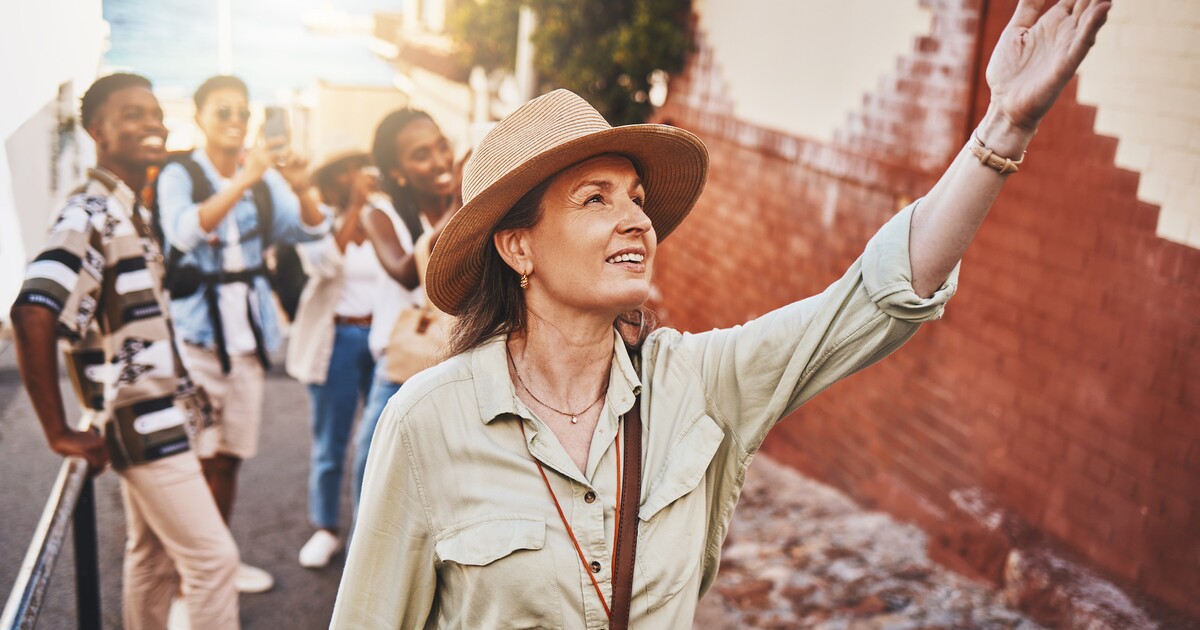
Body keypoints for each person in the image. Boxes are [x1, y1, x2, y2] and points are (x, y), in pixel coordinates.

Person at [331, 1, 1112, 627]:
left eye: (637, 199)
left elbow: (875, 297)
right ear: (518, 247)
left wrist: (1004, 125)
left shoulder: (698, 386)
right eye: (594, 199)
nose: (636, 221)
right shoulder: (427, 424)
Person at [9, 73, 240, 629]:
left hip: (156, 418)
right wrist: (58, 432)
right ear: (98, 131)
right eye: (132, 114)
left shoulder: (128, 209)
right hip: (146, 427)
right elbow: (33, 310)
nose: (152, 125)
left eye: (156, 114)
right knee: (214, 562)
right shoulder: (91, 211)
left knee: (151, 558)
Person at [156, 75, 329, 592]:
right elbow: (184, 232)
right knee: (193, 463)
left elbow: (311, 229)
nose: (235, 121)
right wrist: (243, 178)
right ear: (199, 117)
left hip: (248, 341)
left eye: (242, 112)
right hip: (196, 339)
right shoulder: (181, 174)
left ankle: (219, 566)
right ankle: (192, 579)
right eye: (223, 111)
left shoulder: (263, 179)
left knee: (229, 457)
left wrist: (301, 185)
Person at [348, 108, 458, 507]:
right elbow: (406, 273)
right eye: (421, 155)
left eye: (441, 146)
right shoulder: (380, 215)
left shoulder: (466, 206)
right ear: (396, 172)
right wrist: (461, 203)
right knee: (374, 478)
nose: (440, 161)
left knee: (445, 483)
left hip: (457, 363)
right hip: (402, 368)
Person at [285, 150, 386, 568]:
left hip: (382, 339)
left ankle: (373, 532)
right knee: (331, 442)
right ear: (329, 180)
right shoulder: (316, 219)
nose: (354, 176)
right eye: (344, 171)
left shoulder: (384, 215)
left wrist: (368, 207)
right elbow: (326, 265)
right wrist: (356, 207)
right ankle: (325, 527)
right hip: (338, 338)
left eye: (357, 168)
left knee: (380, 439)